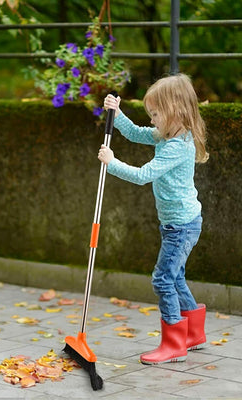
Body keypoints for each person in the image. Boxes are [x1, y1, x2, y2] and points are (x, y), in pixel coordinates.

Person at [98, 73, 209, 365]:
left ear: (175, 111)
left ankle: (174, 344)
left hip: (181, 227)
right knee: (176, 277)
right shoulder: (167, 135)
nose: (152, 120)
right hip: (177, 223)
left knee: (162, 280)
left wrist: (112, 163)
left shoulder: (176, 146)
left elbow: (143, 175)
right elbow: (134, 132)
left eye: (156, 114)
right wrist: (117, 113)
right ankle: (194, 334)